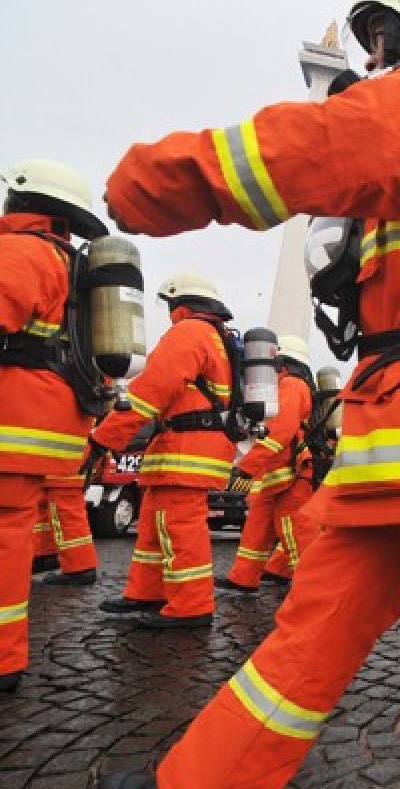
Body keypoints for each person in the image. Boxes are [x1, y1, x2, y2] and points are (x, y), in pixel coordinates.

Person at [97, 0, 400, 786]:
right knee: (304, 642)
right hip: (399, 441)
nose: (370, 62)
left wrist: (168, 177)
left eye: (380, 42)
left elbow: (333, 144)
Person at [0, 158, 107, 693]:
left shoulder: (20, 251)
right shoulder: (77, 268)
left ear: (20, 203)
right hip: (54, 427)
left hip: (11, 423)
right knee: (12, 533)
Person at [92, 272, 238, 629]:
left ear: (180, 305)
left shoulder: (189, 332)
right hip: (184, 444)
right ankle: (146, 592)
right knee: (155, 524)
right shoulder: (217, 337)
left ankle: (191, 606)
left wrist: (103, 438)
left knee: (179, 526)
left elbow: (149, 392)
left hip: (186, 446)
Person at [219, 335, 318, 591]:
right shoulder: (286, 386)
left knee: (294, 530)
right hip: (277, 475)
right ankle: (243, 577)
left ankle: (308, 585)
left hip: (292, 475)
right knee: (257, 528)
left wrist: (247, 466)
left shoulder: (292, 386)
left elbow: (280, 432)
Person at [37, 473, 100, 585]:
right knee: (48, 506)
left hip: (64, 470)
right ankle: (44, 556)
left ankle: (80, 569)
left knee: (64, 513)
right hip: (61, 470)